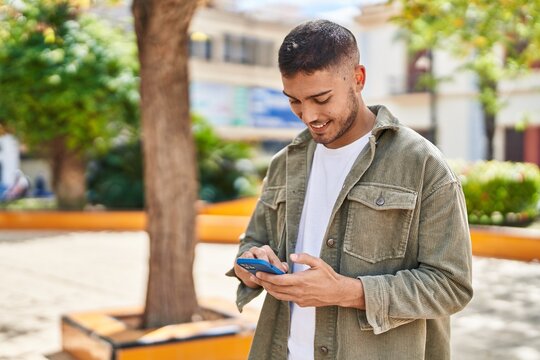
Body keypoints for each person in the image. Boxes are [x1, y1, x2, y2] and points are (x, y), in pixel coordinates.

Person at [227, 20, 473, 360]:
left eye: (321, 98)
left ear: (357, 78)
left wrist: (348, 292)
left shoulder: (423, 165)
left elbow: (451, 285)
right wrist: (251, 266)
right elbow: (251, 243)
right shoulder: (286, 162)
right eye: (294, 101)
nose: (308, 115)